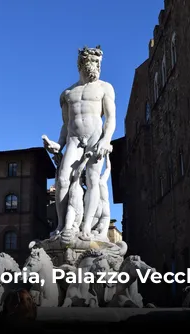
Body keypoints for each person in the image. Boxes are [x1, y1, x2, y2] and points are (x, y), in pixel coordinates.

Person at [43, 45, 116, 241]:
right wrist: (58, 144)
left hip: (95, 137)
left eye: (99, 63)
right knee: (63, 179)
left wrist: (106, 140)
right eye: (93, 62)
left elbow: (110, 118)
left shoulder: (105, 88)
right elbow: (66, 124)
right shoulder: (67, 93)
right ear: (82, 64)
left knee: (92, 180)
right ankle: (61, 225)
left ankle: (85, 228)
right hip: (74, 138)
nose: (97, 67)